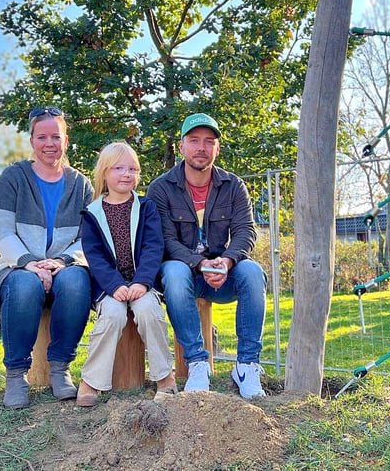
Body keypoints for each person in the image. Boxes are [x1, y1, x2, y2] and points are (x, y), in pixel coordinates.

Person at [147, 113, 268, 399]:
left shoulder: (233, 185)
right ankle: (197, 363)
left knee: (252, 272)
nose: (201, 147)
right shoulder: (161, 188)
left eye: (209, 142)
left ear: (217, 148)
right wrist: (200, 264)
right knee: (174, 272)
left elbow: (245, 231)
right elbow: (164, 240)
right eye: (194, 140)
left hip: (224, 272)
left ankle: (247, 365)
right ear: (182, 147)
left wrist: (226, 262)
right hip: (185, 275)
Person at [0, 107, 95, 409]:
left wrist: (61, 261)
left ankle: (60, 369)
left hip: (64, 266)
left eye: (56, 136)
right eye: (42, 137)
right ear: (32, 140)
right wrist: (30, 263)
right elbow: (3, 234)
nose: (49, 143)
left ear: (66, 140)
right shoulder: (13, 178)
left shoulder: (81, 184)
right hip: (16, 267)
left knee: (77, 281)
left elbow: (86, 238)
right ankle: (15, 375)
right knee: (25, 285)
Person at [76, 142, 177, 406]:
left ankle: (164, 377)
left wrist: (143, 281)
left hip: (143, 284)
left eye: (132, 169)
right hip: (110, 286)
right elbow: (94, 255)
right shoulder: (92, 214)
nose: (126, 174)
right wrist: (114, 285)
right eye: (119, 168)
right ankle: (91, 381)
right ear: (105, 173)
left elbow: (153, 246)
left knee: (148, 313)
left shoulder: (146, 208)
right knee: (111, 315)